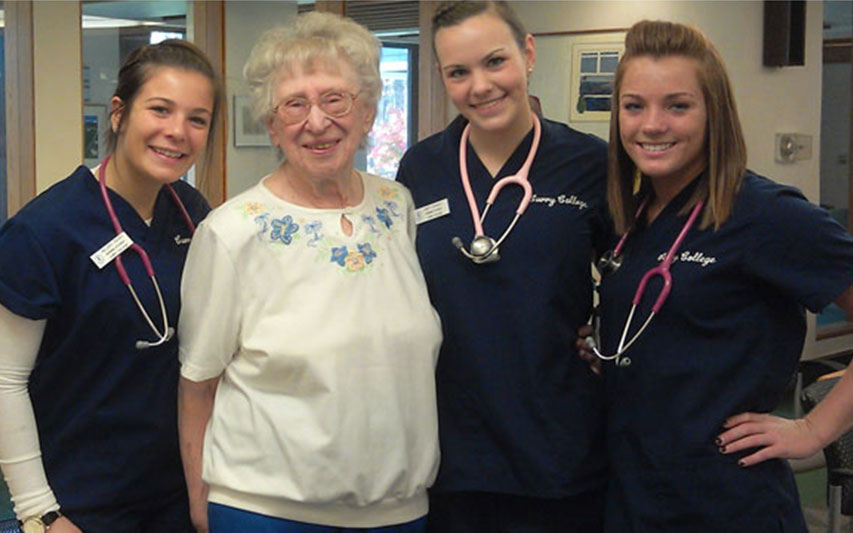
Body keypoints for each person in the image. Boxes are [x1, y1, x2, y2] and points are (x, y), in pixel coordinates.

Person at [578, 20, 853, 531]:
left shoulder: (765, 214)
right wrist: (602, 346)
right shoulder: (632, 216)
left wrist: (814, 429)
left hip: (725, 503)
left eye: (677, 106)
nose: (651, 124)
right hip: (632, 494)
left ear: (713, 113)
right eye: (634, 106)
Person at [177, 12, 442, 533]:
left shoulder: (398, 206)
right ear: (273, 126)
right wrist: (199, 501)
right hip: (267, 513)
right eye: (294, 105)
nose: (316, 122)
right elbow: (197, 384)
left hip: (401, 510)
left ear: (368, 112)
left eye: (335, 100)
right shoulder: (232, 231)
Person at [395, 2, 611, 531]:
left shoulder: (590, 164)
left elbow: (639, 267)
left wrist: (610, 332)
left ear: (528, 53)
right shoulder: (420, 167)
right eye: (458, 72)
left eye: (495, 62)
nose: (480, 86)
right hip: (450, 449)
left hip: (557, 447)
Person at [0, 39, 222, 533]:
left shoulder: (192, 211)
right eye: (160, 109)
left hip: (177, 493)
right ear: (119, 113)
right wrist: (39, 511)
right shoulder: (44, 230)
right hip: (80, 503)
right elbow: (4, 380)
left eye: (197, 118)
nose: (177, 132)